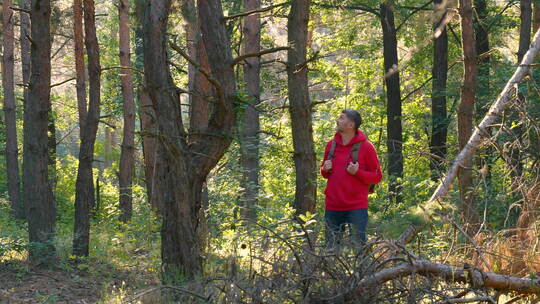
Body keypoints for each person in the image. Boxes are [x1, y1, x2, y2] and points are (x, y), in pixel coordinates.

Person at [321, 109, 382, 249]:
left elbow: (377, 177)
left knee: (359, 248)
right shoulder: (331, 145)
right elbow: (325, 174)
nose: (337, 120)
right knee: (331, 249)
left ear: (351, 125)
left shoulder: (367, 147)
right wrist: (325, 169)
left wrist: (358, 172)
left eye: (341, 118)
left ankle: (365, 272)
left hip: (356, 207)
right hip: (332, 206)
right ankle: (332, 271)